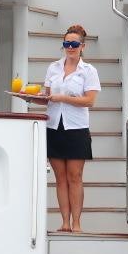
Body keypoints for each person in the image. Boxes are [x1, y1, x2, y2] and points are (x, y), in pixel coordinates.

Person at [43, 24, 101, 233]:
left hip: (76, 127)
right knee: (60, 177)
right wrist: (32, 97)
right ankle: (65, 222)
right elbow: (48, 97)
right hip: (54, 125)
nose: (70, 47)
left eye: (74, 44)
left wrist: (64, 98)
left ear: (82, 46)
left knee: (74, 176)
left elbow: (90, 101)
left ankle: (77, 223)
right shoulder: (53, 67)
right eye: (66, 43)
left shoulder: (89, 71)